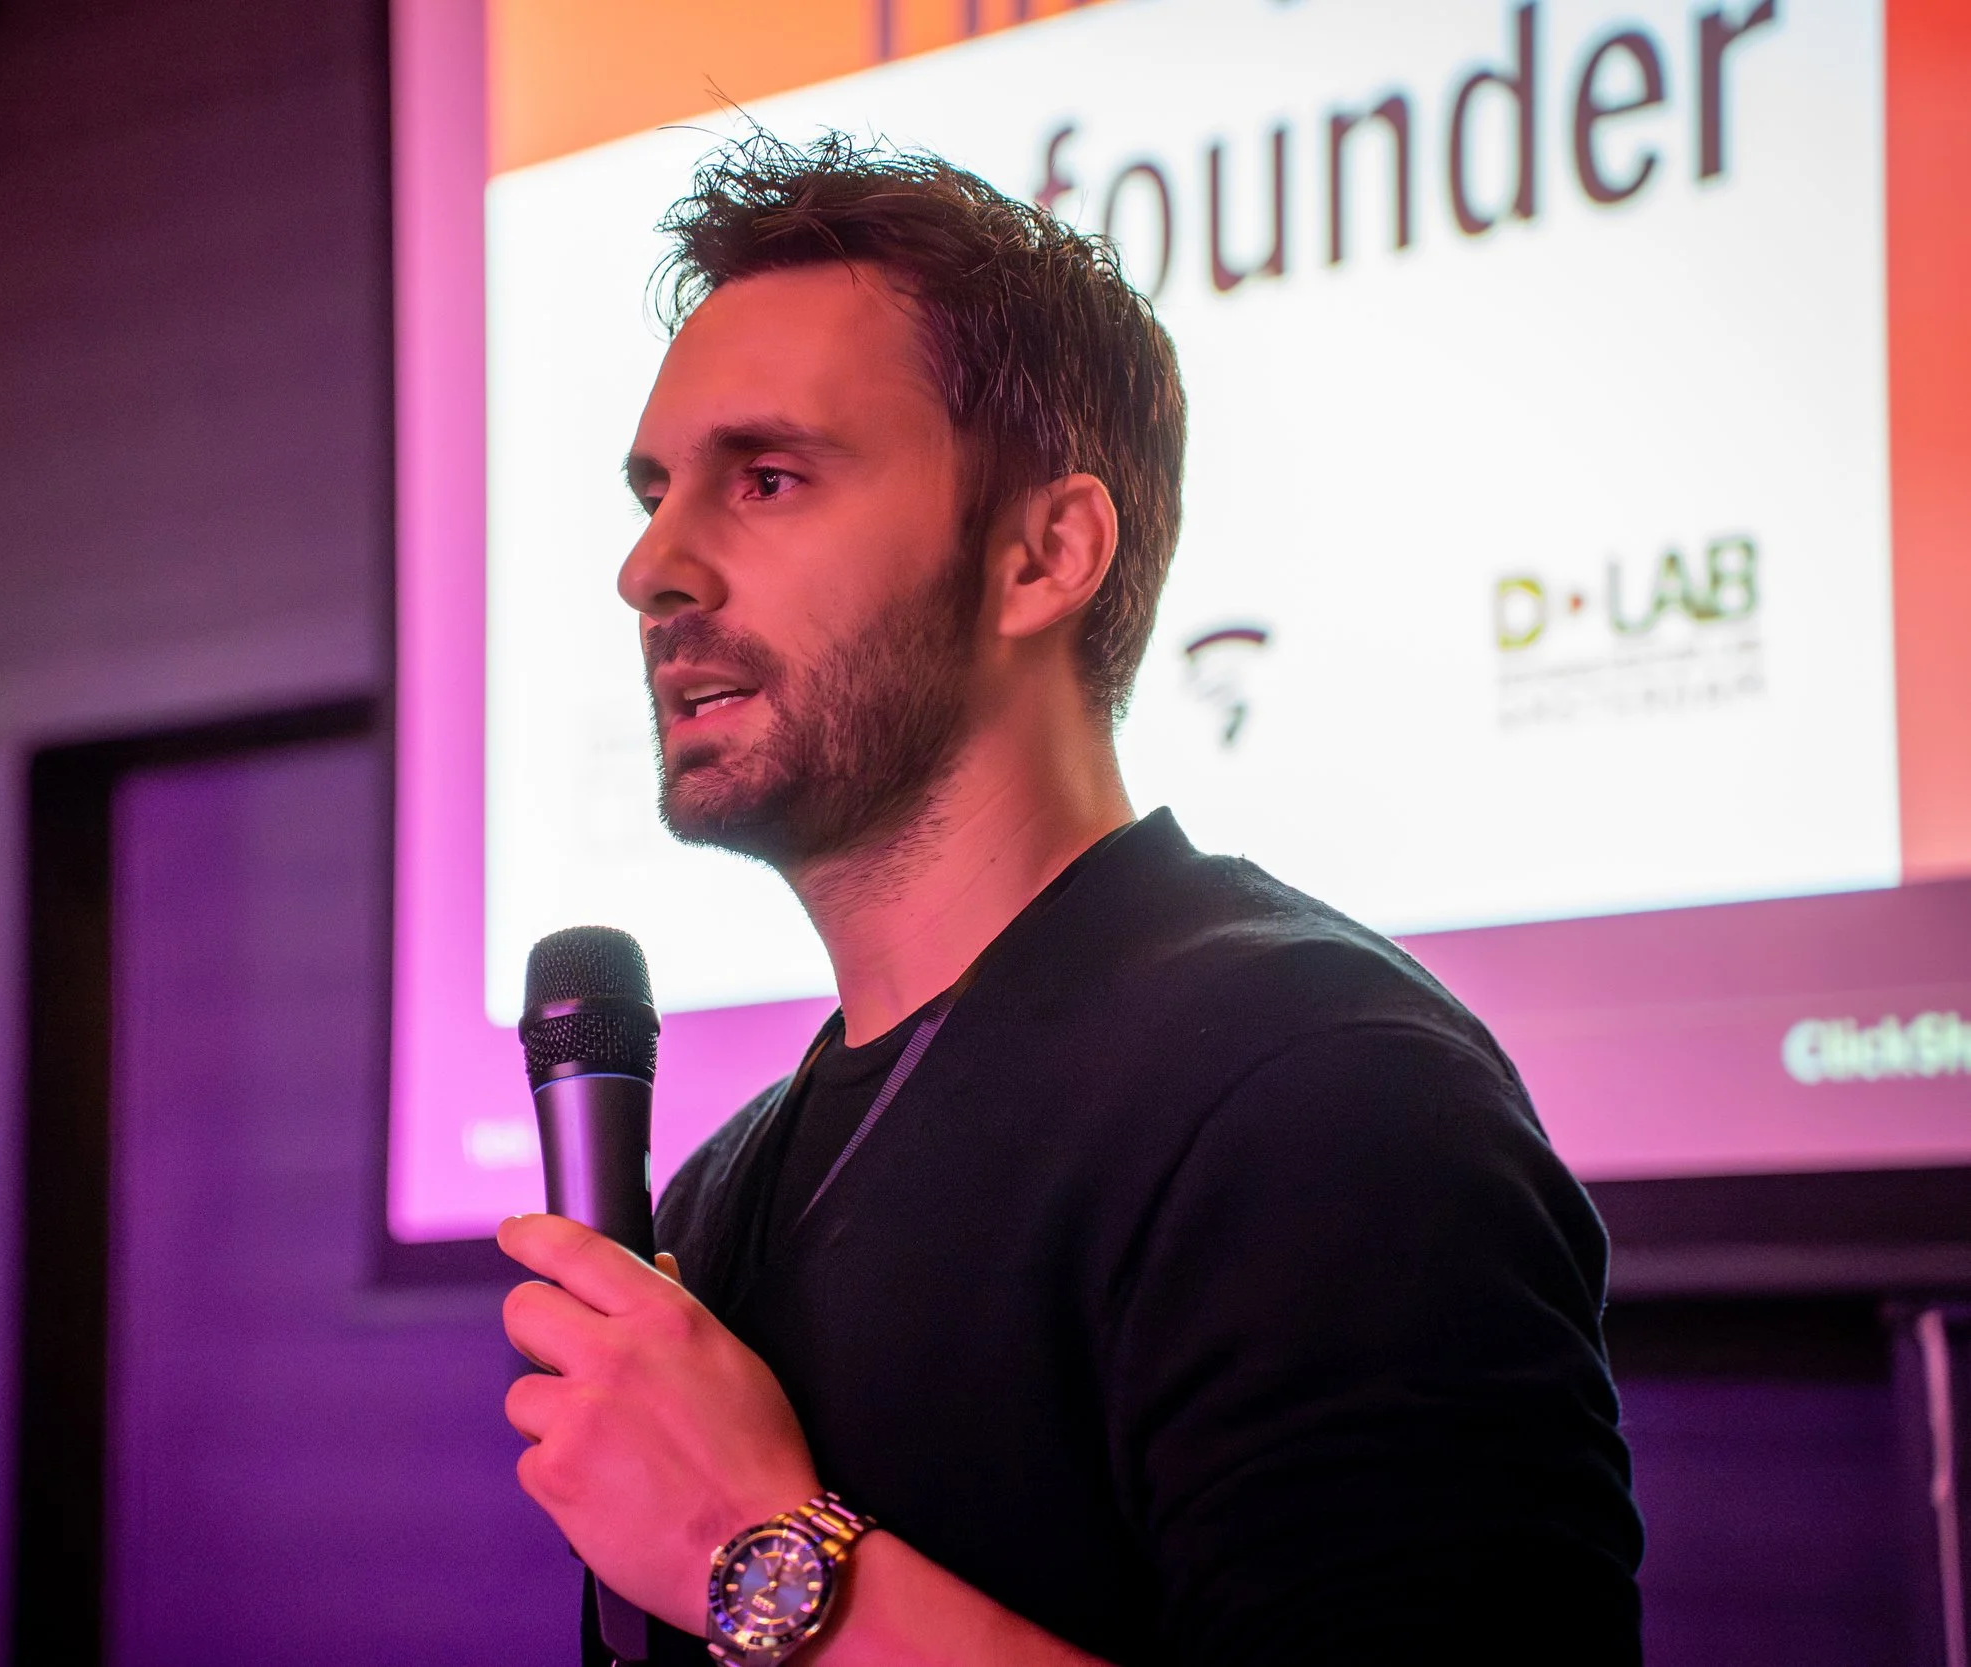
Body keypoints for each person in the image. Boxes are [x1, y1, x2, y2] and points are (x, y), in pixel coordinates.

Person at [496, 133, 1642, 1667]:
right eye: (654, 495)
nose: (651, 566)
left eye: (767, 478)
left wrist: (753, 1550)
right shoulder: (713, 1200)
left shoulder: (1324, 1097)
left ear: (1045, 555)